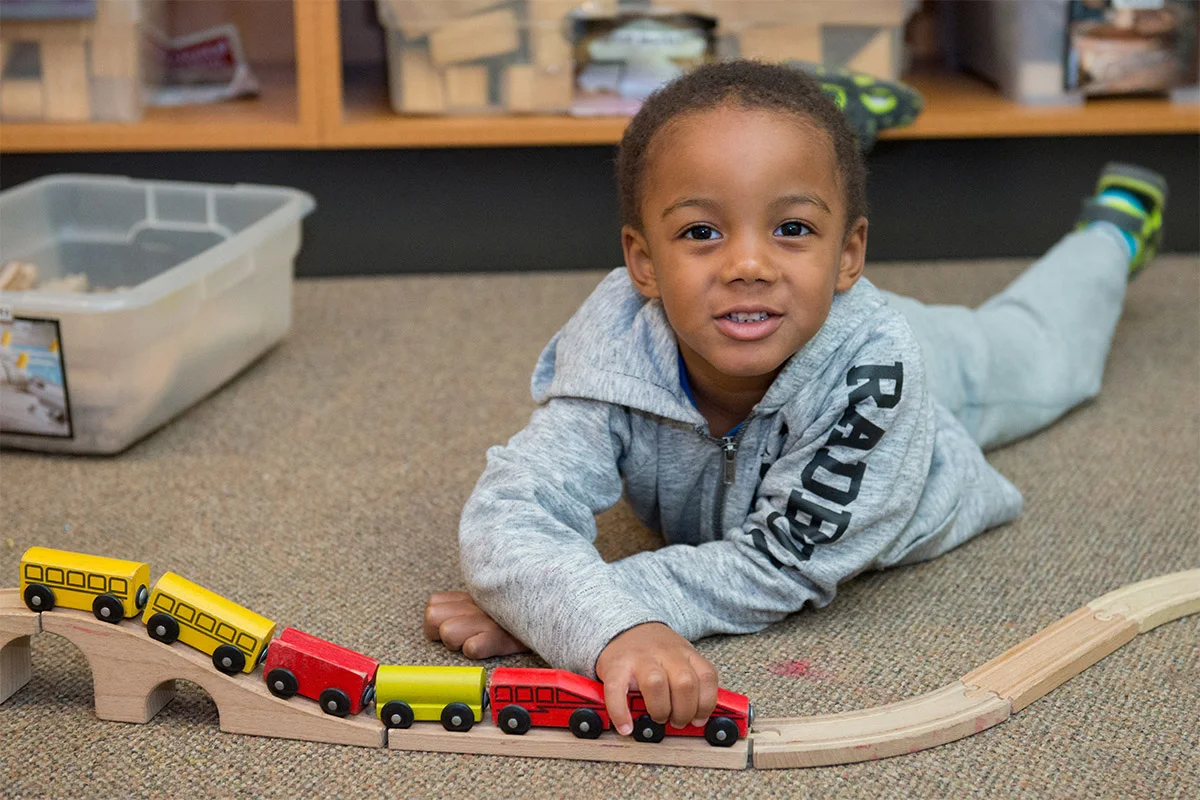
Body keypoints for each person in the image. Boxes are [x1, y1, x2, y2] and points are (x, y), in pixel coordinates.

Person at [423, 61, 1168, 738]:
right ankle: (822, 142)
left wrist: (593, 615)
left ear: (850, 254)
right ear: (643, 264)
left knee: (1047, 354)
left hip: (899, 392)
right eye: (702, 231)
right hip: (808, 315)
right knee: (781, 181)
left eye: (790, 227)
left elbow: (777, 565)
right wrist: (572, 610)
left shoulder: (878, 366)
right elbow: (510, 511)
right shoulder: (613, 346)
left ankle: (1110, 232)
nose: (747, 263)